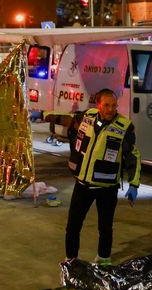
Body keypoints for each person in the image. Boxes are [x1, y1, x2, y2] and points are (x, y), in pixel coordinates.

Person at [44, 89, 141, 266]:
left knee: (105, 228)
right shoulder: (87, 117)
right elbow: (67, 120)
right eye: (106, 105)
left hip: (107, 188)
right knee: (73, 226)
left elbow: (133, 156)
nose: (111, 109)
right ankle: (71, 261)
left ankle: (103, 261)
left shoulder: (124, 127)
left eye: (114, 105)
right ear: (98, 105)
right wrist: (43, 114)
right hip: (83, 185)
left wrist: (134, 184)